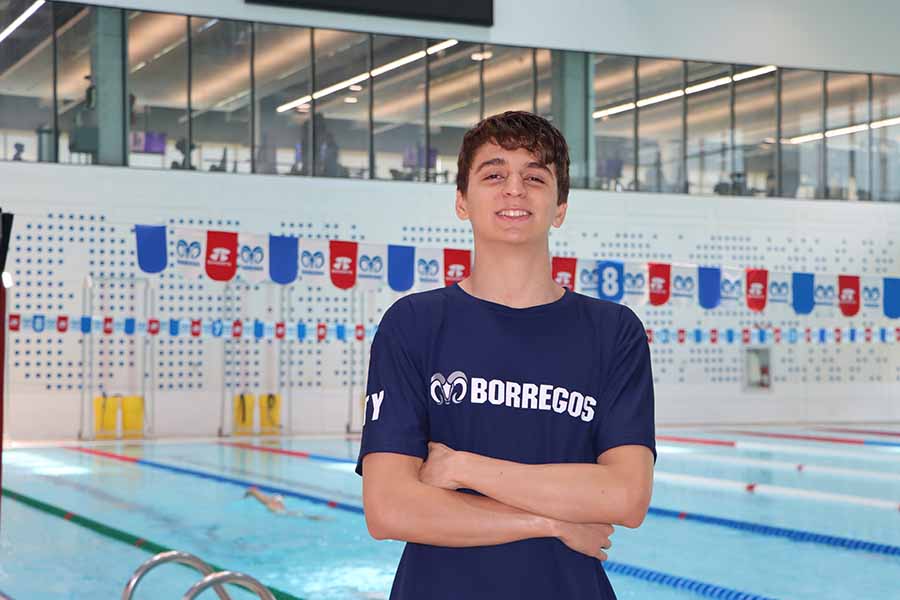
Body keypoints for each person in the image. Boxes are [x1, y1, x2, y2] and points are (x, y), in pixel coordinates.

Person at [355, 110, 657, 599]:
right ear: (462, 201)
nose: (514, 189)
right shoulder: (413, 324)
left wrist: (462, 468)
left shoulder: (612, 331)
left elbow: (625, 497)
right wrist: (551, 521)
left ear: (559, 207)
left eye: (535, 177)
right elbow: (389, 509)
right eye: (494, 174)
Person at [243, 486, 330, 520]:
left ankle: (314, 517)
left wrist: (245, 496)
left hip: (274, 506)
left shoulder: (267, 500)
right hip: (275, 507)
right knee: (298, 514)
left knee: (297, 514)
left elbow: (250, 492)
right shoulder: (269, 501)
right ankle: (315, 517)